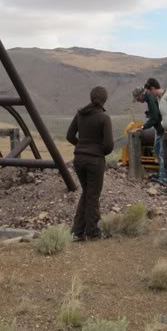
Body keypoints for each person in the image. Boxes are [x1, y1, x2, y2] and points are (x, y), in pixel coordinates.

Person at [67, 86, 114, 241]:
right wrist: (97, 151)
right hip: (95, 161)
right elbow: (109, 146)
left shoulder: (80, 114)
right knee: (93, 195)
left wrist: (81, 146)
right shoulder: (104, 118)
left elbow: (69, 135)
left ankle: (77, 232)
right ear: (104, 100)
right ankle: (93, 233)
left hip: (78, 159)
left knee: (86, 193)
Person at [133, 86, 167, 186]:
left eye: (138, 98)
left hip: (162, 129)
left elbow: (155, 117)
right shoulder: (150, 98)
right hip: (159, 129)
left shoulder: (151, 99)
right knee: (156, 149)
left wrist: (143, 127)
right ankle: (161, 174)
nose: (138, 101)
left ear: (141, 95)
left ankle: (163, 178)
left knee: (161, 154)